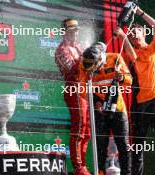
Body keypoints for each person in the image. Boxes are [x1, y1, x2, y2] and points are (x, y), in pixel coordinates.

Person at [115, 6, 155, 175]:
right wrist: (121, 34)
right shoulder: (130, 55)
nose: (134, 35)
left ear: (144, 33)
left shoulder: (153, 48)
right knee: (137, 149)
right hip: (139, 106)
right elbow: (127, 46)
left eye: (136, 32)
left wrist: (139, 12)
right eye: (131, 33)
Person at [78, 42, 132, 175]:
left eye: (92, 67)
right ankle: (100, 172)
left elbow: (130, 80)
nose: (89, 70)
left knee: (123, 145)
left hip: (117, 108)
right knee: (100, 145)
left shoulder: (115, 58)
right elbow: (81, 89)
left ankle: (127, 173)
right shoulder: (84, 64)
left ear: (101, 59)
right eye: (87, 68)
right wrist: (96, 102)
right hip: (99, 110)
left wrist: (121, 77)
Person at [55, 18, 91, 175]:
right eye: (72, 30)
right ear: (65, 32)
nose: (76, 33)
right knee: (79, 127)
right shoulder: (61, 50)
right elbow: (71, 71)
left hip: (84, 91)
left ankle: (83, 165)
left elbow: (88, 67)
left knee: (87, 130)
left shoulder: (78, 46)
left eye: (76, 30)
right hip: (73, 90)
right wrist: (86, 59)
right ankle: (78, 167)